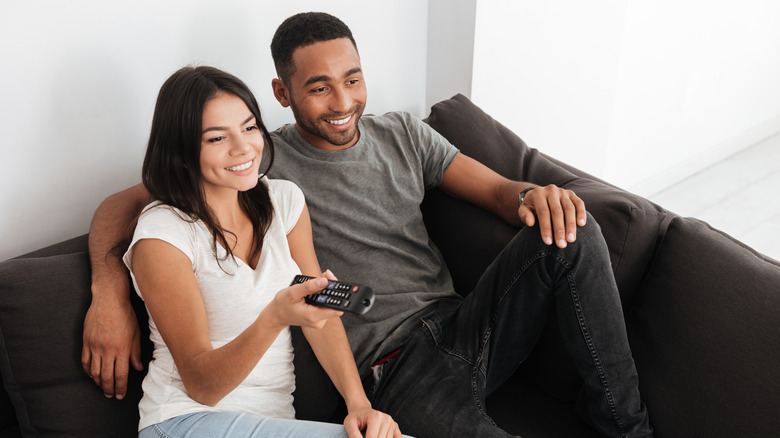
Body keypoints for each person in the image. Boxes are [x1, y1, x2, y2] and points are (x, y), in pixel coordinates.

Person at [83, 12, 653, 438]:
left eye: (351, 79)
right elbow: (125, 206)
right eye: (318, 86)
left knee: (576, 231)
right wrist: (108, 291)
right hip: (397, 367)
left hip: (464, 323)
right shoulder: (260, 162)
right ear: (283, 94)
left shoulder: (402, 135)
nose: (342, 101)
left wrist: (539, 196)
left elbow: (502, 193)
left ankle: (627, 428)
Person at [114, 65, 403, 437]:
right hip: (186, 419)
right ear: (182, 150)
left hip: (274, 422)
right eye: (217, 138)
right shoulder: (163, 235)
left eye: (249, 127)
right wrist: (274, 317)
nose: (243, 147)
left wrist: (359, 404)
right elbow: (203, 386)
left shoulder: (284, 202)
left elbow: (321, 314)